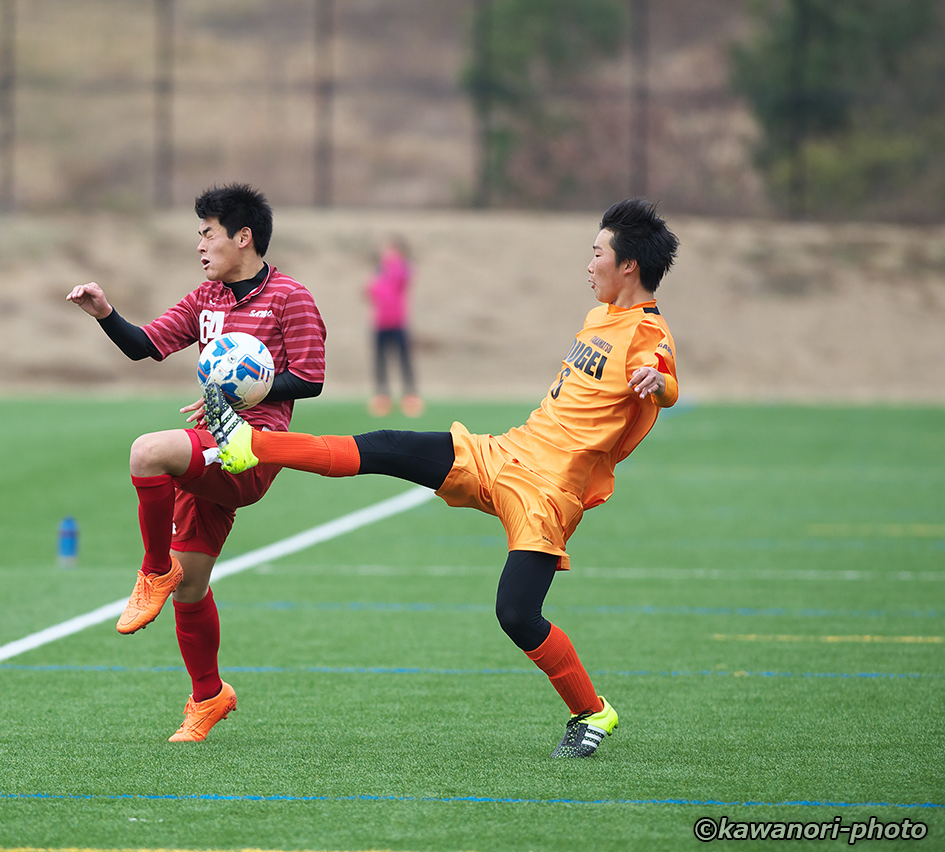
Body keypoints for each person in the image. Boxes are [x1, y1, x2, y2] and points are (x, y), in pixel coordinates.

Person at [204, 198, 679, 758]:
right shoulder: (599, 315)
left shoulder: (648, 331)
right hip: (505, 451)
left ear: (628, 266)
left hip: (548, 490)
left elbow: (666, 379)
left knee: (516, 615)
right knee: (385, 447)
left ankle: (591, 712)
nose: (589, 262)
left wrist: (656, 380)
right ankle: (247, 444)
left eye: (597, 252)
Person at [66, 183, 326, 742]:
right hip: (210, 452)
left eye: (208, 234)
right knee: (192, 589)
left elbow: (310, 378)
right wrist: (105, 313)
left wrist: (245, 392)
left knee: (148, 451)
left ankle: (151, 569)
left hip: (251, 449)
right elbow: (144, 346)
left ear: (243, 237)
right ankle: (208, 696)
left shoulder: (291, 298)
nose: (201, 246)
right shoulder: (205, 300)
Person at [365, 236, 421, 417]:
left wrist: (392, 265)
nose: (385, 254)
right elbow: (370, 292)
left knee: (404, 361)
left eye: (389, 251)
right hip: (380, 324)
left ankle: (410, 396)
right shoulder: (379, 272)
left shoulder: (402, 270)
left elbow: (407, 275)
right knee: (380, 362)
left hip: (398, 323)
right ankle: (382, 397)